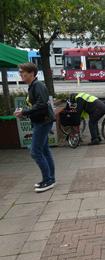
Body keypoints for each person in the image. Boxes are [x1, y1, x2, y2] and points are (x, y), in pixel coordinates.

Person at [14, 63, 56, 193]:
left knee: (35, 151)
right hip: (42, 121)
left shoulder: (37, 86)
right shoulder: (33, 86)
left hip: (43, 122)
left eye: (23, 72)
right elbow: (37, 105)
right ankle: (50, 179)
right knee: (44, 151)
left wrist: (25, 112)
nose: (21, 74)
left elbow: (42, 105)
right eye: (20, 72)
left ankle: (48, 180)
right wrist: (25, 111)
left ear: (31, 73)